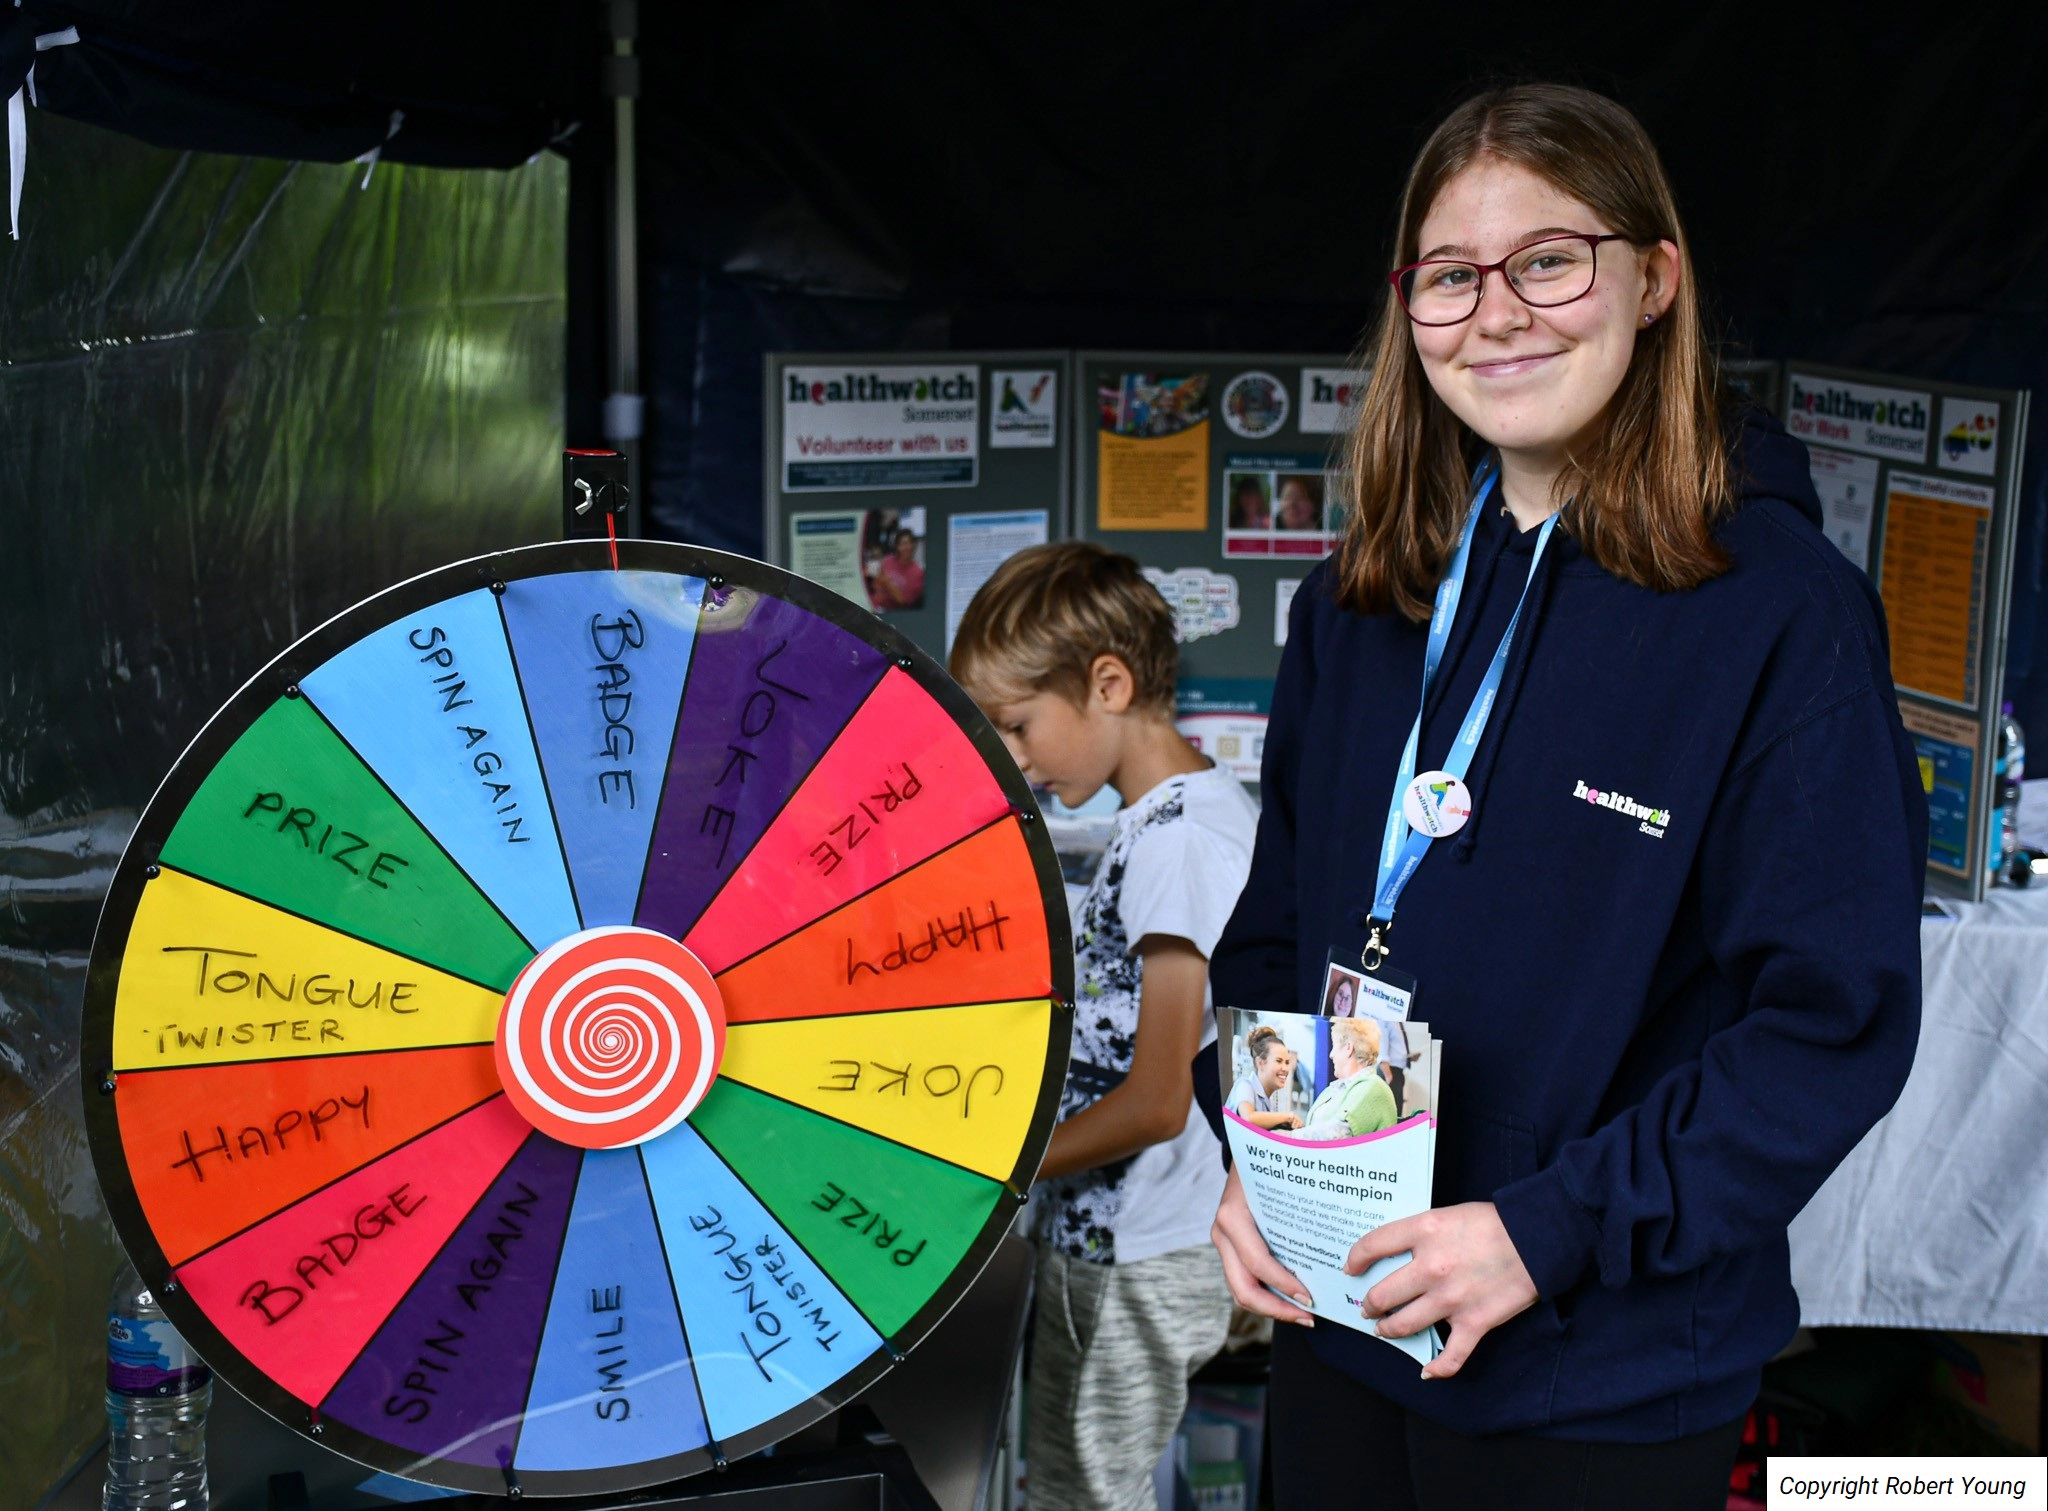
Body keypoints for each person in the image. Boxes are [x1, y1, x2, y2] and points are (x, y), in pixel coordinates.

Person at [1206, 84, 1925, 1511]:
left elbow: (1824, 1024)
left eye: (1548, 260)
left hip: (1598, 1368)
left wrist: (1551, 1229)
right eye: (1450, 276)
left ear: (1653, 280)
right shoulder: (1361, 597)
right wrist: (1257, 1145)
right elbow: (1276, 925)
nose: (1497, 315)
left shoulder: (1780, 615)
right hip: (1340, 1315)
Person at [951, 540, 1258, 1511]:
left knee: (1081, 1498)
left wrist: (999, 1168)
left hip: (1137, 1251)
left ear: (1108, 684)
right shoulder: (1169, 821)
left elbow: (1159, 1099)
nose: (1013, 757)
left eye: (1018, 724)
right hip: (1122, 1239)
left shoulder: (1178, 841)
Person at [1302, 1017, 1398, 1140]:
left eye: (1334, 1045)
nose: (1331, 1054)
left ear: (1348, 1048)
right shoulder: (1333, 1089)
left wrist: (1290, 1136)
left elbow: (1339, 1132)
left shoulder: (1374, 1087)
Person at [1226, 1025, 1303, 1131]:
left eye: (1287, 1062)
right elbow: (1248, 1118)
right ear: (1260, 1063)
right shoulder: (1244, 1085)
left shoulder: (1268, 1103)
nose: (1285, 1068)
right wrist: (1288, 1117)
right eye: (1279, 1061)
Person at [868, 527, 925, 610]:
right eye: (903, 544)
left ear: (913, 545)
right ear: (897, 547)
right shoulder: (887, 561)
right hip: (874, 606)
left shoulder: (918, 572)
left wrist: (888, 583)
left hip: (893, 612)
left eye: (909, 543)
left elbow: (904, 602)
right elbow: (876, 585)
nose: (907, 548)